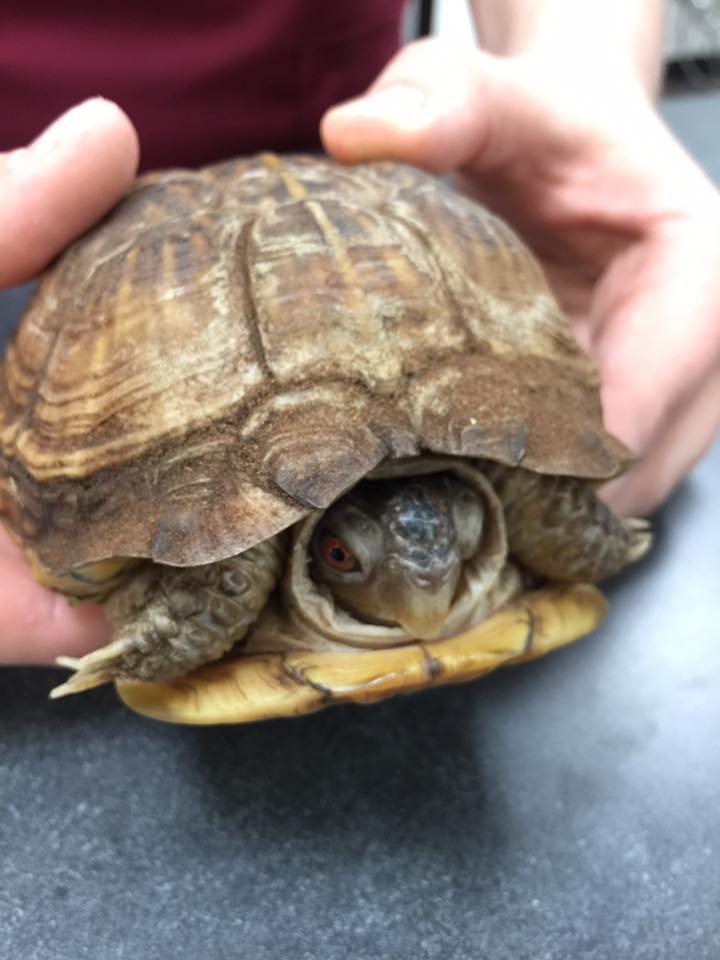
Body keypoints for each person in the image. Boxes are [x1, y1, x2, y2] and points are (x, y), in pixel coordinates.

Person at [0, 0, 718, 666]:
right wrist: (190, 601)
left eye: (464, 536)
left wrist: (587, 82)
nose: (425, 592)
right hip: (105, 249)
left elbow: (519, 479)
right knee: (218, 563)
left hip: (362, 166)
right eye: (346, 556)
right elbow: (220, 547)